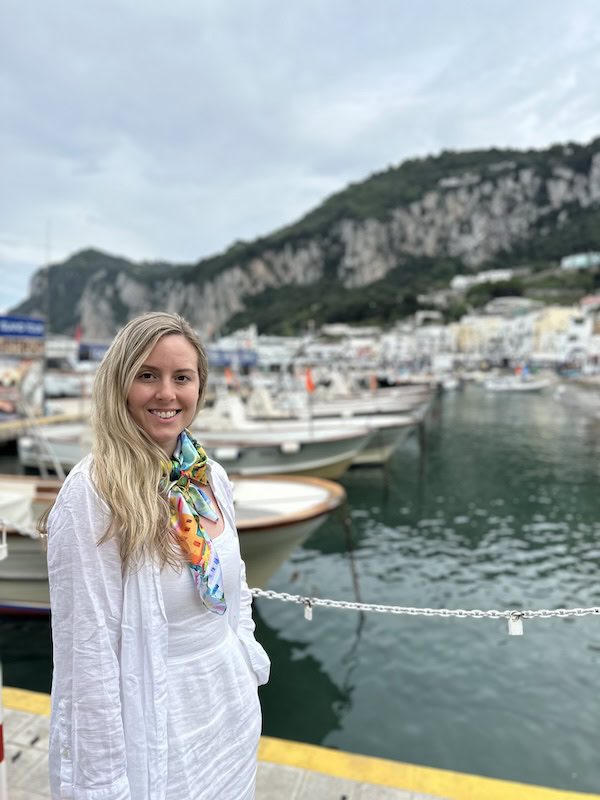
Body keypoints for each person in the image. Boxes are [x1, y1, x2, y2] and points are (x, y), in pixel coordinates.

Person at [45, 311, 270, 800]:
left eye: (181, 377)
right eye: (148, 375)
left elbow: (237, 583)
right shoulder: (94, 494)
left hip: (228, 718)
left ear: (199, 387)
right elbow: (88, 658)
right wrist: (102, 786)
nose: (167, 393)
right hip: (158, 731)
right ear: (120, 384)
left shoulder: (209, 478)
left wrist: (246, 659)